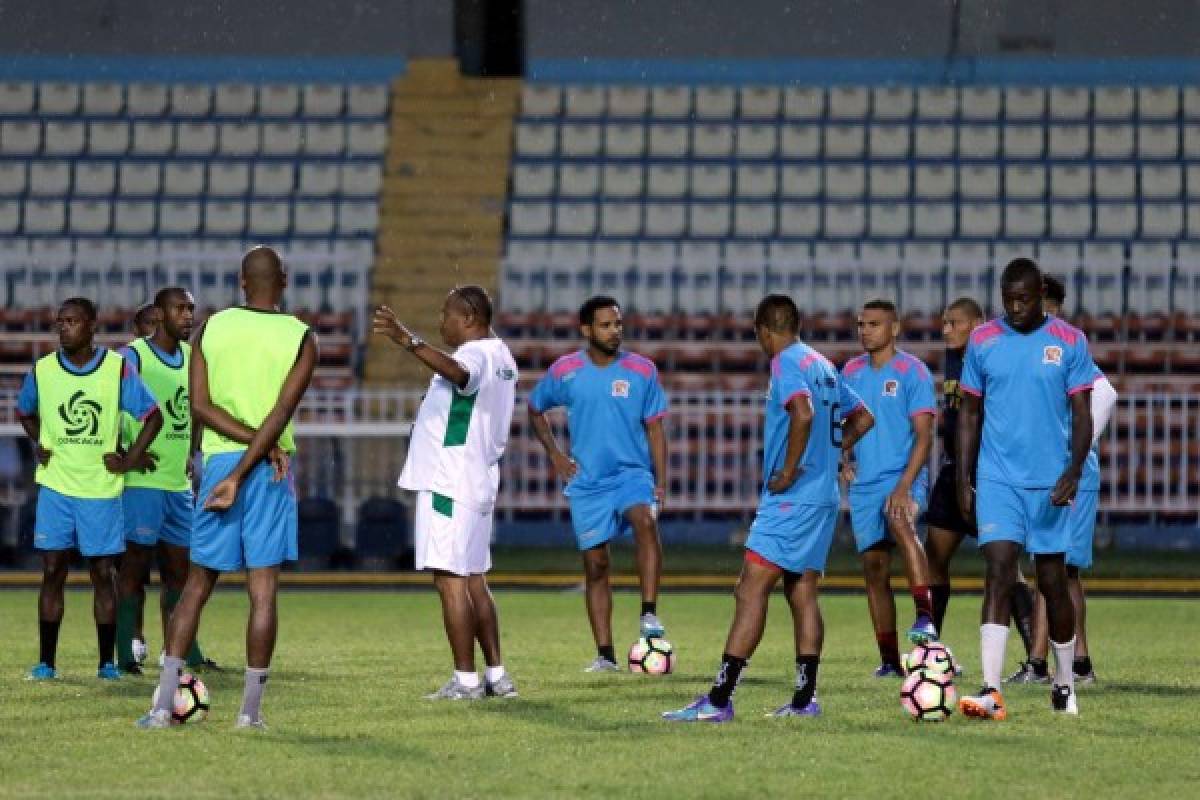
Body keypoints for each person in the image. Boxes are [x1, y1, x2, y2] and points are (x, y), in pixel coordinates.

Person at [662, 295, 874, 722]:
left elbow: (802, 412)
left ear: (764, 329)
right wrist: (832, 457)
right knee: (802, 592)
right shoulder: (823, 364)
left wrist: (791, 469)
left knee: (750, 588)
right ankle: (803, 700)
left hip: (792, 498)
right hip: (824, 497)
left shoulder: (786, 362)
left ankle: (719, 700)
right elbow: (863, 418)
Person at [139, 247, 317, 729]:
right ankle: (249, 714)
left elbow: (200, 407)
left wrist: (233, 469)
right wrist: (263, 451)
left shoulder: (210, 328)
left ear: (242, 281)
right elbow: (280, 416)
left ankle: (160, 708)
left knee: (196, 586)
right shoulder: (302, 337)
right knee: (263, 593)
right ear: (284, 279)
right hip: (270, 472)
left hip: (219, 465)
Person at [956, 258, 1095, 720]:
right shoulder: (982, 341)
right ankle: (991, 690)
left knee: (1052, 582)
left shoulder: (1069, 341)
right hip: (998, 479)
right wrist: (964, 477)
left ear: (1040, 296)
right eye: (1008, 299)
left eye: (1024, 299)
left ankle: (1062, 682)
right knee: (998, 571)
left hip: (1050, 482)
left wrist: (1074, 469)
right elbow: (970, 413)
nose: (1015, 307)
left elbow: (1082, 413)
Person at [375, 286, 519, 700]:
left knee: (450, 580)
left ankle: (465, 681)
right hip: (478, 477)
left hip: (449, 481)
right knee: (474, 579)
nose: (442, 322)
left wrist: (408, 340)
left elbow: (461, 375)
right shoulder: (502, 355)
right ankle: (496, 675)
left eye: (446, 314)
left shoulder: (473, 356)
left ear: (469, 317)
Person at [17, 297, 163, 681]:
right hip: (56, 487)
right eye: (59, 322)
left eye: (72, 321)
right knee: (52, 571)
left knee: (102, 573)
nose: (63, 327)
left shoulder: (116, 369)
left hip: (100, 489)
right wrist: (39, 442)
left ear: (92, 325)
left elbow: (153, 416)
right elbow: (24, 411)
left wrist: (130, 460)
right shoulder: (43, 369)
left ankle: (106, 664)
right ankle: (47, 663)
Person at [528, 296, 669, 672]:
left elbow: (655, 427)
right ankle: (605, 655)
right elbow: (534, 408)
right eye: (606, 325)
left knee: (645, 521)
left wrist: (661, 480)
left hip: (632, 475)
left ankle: (649, 614)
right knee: (596, 566)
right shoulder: (565, 371)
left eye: (618, 324)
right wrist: (556, 456)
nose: (615, 331)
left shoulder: (642, 370)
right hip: (588, 483)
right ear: (586, 330)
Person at [1009, 274, 1117, 685]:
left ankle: (1051, 664)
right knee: (1052, 569)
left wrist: (1077, 451)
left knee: (1060, 570)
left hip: (1070, 477)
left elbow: (1105, 394)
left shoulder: (1067, 345)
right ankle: (1066, 662)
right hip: (1052, 475)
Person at [115, 288, 216, 674]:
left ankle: (179, 652)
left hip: (177, 484)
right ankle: (128, 648)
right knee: (134, 568)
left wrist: (192, 452)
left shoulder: (193, 358)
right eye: (180, 308)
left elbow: (197, 410)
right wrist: (128, 452)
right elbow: (111, 402)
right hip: (141, 482)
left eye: (191, 308)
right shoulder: (132, 356)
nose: (189, 315)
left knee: (182, 570)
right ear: (159, 314)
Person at [840, 299, 939, 676]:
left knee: (901, 523)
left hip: (904, 476)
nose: (865, 330)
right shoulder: (849, 372)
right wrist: (840, 458)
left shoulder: (913, 372)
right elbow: (837, 425)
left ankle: (925, 619)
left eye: (874, 324)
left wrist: (904, 486)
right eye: (861, 324)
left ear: (894, 328)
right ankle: (888, 662)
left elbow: (924, 437)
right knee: (874, 568)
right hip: (865, 484)